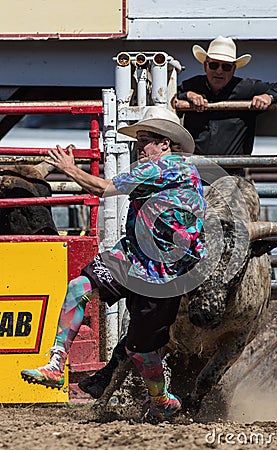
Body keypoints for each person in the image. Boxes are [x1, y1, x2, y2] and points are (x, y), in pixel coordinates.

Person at [20, 106, 207, 422]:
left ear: (166, 143)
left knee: (141, 349)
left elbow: (105, 189)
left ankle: (160, 399)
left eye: (146, 140)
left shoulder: (167, 167)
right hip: (135, 257)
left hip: (164, 274)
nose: (140, 147)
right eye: (139, 141)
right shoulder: (171, 169)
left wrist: (68, 167)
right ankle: (55, 363)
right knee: (80, 286)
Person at [175, 36, 277, 165]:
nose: (219, 71)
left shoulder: (246, 88)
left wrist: (268, 97)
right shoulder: (192, 85)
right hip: (195, 169)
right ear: (205, 66)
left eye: (226, 67)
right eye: (214, 65)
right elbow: (171, 96)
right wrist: (188, 95)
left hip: (232, 170)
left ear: (234, 69)